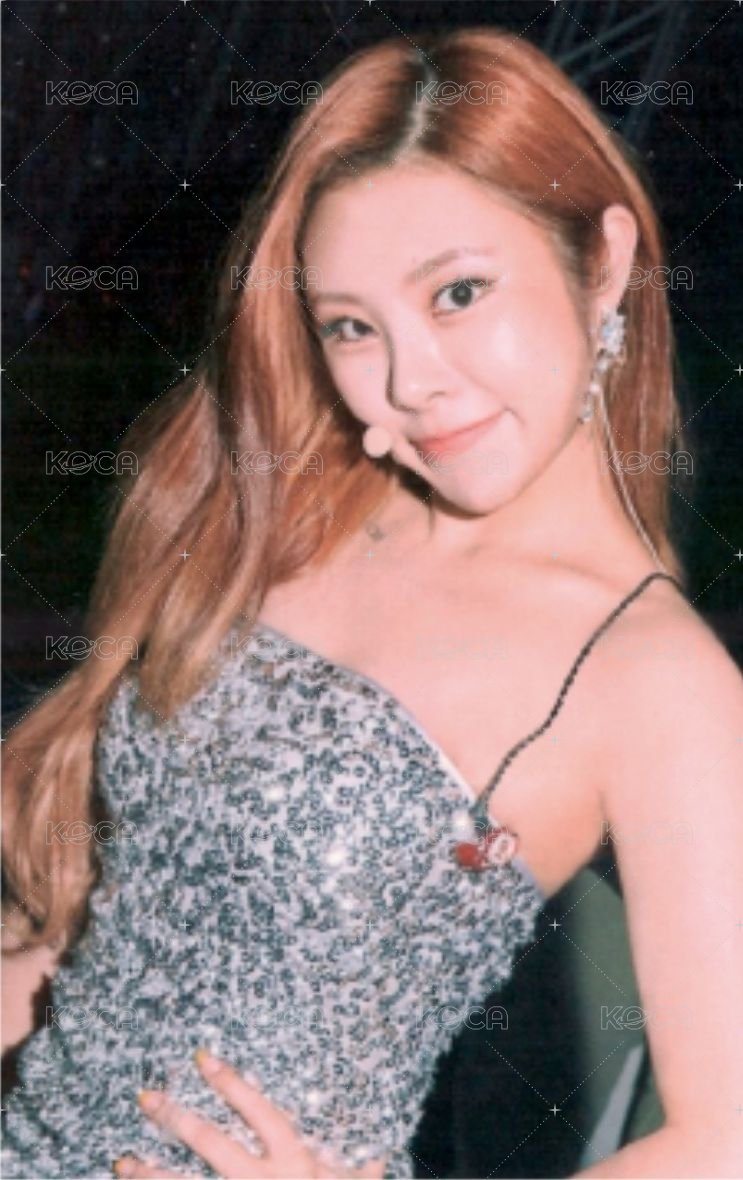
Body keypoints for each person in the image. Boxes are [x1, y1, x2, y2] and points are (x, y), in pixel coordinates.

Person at [2, 25, 742, 1180]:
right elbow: (131, 936)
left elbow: (723, 1138)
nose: (408, 380)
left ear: (603, 263)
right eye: (352, 326)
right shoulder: (294, 518)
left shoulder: (654, 678)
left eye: (457, 293)